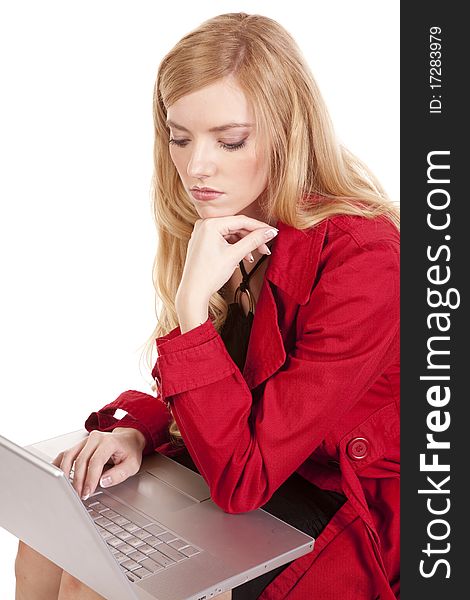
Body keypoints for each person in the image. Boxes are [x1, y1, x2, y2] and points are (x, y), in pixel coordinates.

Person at [15, 12, 400, 600]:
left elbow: (244, 478)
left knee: (100, 584)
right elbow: (213, 404)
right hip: (250, 474)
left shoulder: (366, 260)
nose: (198, 166)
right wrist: (140, 435)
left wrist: (193, 309)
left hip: (337, 508)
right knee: (50, 538)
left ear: (287, 133)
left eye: (230, 140)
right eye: (180, 138)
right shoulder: (232, 226)